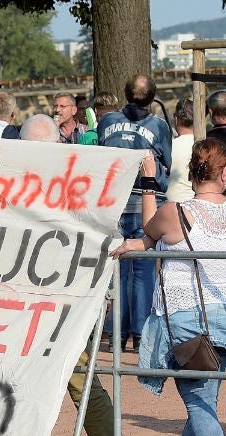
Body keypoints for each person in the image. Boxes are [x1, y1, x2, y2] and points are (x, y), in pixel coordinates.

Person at [4, 113, 155, 436]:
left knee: (33, 379)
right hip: (62, 303)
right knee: (83, 381)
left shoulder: (11, 182)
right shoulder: (68, 181)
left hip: (25, 300)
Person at [114, 140, 226, 436]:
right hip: (222, 316)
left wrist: (149, 180)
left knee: (199, 403)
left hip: (188, 320)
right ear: (224, 174)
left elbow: (148, 229)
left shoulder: (174, 213)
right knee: (205, 403)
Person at [99, 74, 172, 353]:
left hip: (115, 201)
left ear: (126, 94)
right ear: (152, 98)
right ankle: (140, 331)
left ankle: (115, 331)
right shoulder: (159, 125)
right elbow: (166, 161)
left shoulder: (107, 121)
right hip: (146, 201)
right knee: (142, 270)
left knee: (118, 267)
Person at [167, 98, 196, 203]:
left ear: (175, 119)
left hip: (171, 207)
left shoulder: (168, 147)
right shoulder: (206, 146)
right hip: (198, 205)